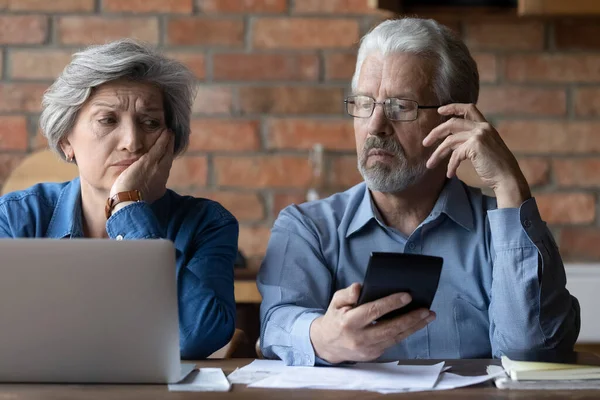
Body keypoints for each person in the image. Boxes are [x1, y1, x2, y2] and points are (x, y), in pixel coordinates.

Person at [257, 18, 580, 366]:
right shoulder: (308, 229)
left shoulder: (499, 233)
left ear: (453, 121)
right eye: (365, 103)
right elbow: (276, 324)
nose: (376, 126)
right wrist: (320, 337)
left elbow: (532, 351)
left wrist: (509, 185)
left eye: (401, 106)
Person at [0, 39, 238, 359]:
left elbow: (197, 337)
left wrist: (128, 208)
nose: (132, 142)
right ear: (66, 140)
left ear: (171, 141)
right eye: (108, 120)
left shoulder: (207, 224)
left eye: (150, 123)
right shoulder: (16, 219)